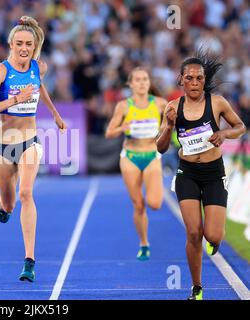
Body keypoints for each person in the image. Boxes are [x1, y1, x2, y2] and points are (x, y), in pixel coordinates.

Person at [0, 16, 67, 282]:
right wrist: (16, 99)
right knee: (10, 202)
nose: (24, 48)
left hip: (29, 142)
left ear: (34, 45)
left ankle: (29, 260)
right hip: (4, 147)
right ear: (11, 44)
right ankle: (2, 205)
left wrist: (55, 113)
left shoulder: (39, 68)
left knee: (26, 193)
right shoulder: (1, 71)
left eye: (28, 43)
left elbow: (41, 89)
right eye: (19, 43)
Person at [157, 50, 246, 300]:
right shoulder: (173, 107)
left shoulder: (217, 103)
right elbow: (161, 147)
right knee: (194, 233)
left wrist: (224, 134)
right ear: (181, 80)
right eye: (189, 78)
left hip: (213, 173)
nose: (194, 83)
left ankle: (215, 240)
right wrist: (169, 126)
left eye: (198, 78)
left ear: (204, 80)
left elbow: (240, 126)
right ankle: (197, 287)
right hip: (187, 173)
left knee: (213, 235)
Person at [105, 67, 168, 261]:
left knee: (155, 204)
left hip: (151, 155)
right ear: (130, 84)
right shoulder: (124, 106)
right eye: (138, 80)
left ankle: (155, 191)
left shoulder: (160, 104)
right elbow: (109, 133)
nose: (141, 83)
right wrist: (123, 127)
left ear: (149, 83)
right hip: (130, 157)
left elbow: (169, 127)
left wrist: (165, 130)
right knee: (139, 205)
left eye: (145, 79)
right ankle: (144, 243)